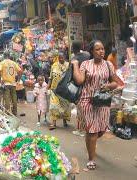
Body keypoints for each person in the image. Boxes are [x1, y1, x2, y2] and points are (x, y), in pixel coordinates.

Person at [72, 40, 117, 170]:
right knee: (92, 131)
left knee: (101, 129)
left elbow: (115, 83)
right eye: (97, 49)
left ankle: (90, 141)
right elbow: (80, 80)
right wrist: (75, 65)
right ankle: (91, 159)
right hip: (88, 101)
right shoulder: (86, 64)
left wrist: (108, 85)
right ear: (92, 51)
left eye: (102, 49)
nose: (101, 51)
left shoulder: (108, 65)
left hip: (102, 101)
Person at [47, 52, 71, 130]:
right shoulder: (54, 65)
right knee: (53, 106)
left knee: (65, 107)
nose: (61, 59)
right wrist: (48, 87)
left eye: (62, 57)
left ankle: (65, 121)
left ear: (65, 57)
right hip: (54, 89)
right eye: (59, 58)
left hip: (65, 90)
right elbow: (51, 77)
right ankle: (54, 123)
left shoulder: (68, 65)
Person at [71, 41, 90, 137]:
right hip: (89, 84)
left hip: (79, 86)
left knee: (80, 109)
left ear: (73, 48)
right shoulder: (87, 55)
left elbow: (72, 74)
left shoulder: (74, 59)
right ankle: (89, 128)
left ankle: (81, 130)